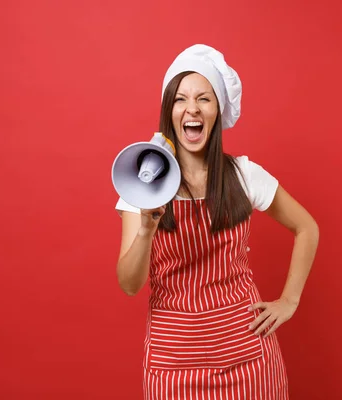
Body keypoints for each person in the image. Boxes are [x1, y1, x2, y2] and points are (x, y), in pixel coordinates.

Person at [114, 44, 319, 400]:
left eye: (203, 98)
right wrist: (147, 228)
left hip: (248, 360)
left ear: (218, 110)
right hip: (173, 364)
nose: (191, 108)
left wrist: (289, 301)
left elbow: (307, 228)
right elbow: (130, 284)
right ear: (169, 111)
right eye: (180, 99)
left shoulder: (243, 175)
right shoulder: (140, 187)